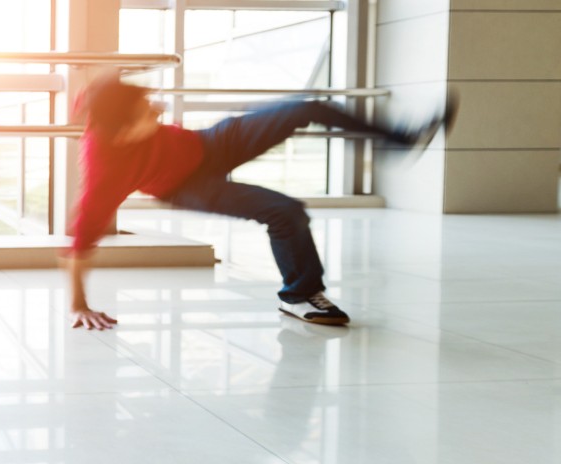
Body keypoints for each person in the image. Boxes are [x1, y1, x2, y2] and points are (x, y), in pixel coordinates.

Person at [61, 75, 456, 329]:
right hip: (187, 185)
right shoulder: (104, 167)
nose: (158, 108)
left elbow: (103, 97)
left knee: (306, 106)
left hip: (209, 143)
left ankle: (397, 139)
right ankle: (300, 294)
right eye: (146, 112)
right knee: (285, 211)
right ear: (124, 133)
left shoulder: (115, 112)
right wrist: (79, 304)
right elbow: (80, 241)